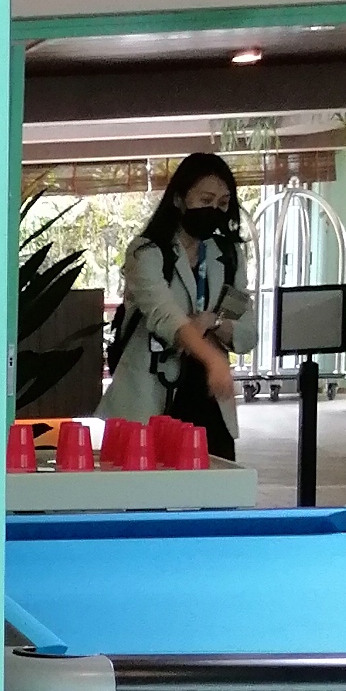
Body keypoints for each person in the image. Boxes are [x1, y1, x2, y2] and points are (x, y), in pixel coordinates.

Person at [103, 152, 249, 460]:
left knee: (218, 485)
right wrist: (213, 358)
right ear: (180, 199)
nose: (214, 210)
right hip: (150, 400)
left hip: (209, 404)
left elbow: (248, 333)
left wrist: (213, 323)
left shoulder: (229, 256)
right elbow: (166, 317)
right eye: (205, 200)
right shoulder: (146, 253)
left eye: (223, 203)